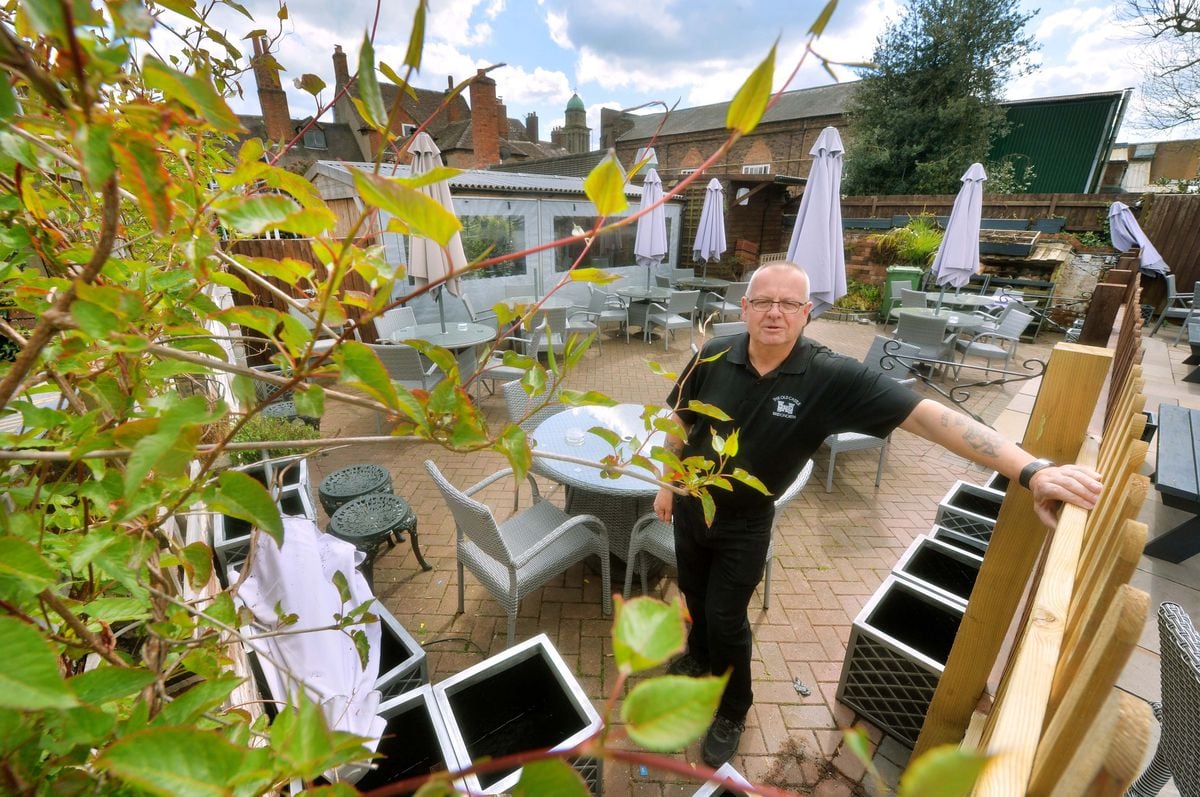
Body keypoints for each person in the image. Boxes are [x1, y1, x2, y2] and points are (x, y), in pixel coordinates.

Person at [652, 261, 1103, 767]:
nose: (773, 313)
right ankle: (699, 658)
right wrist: (668, 483)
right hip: (693, 507)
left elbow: (929, 417)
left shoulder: (828, 375)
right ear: (745, 307)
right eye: (762, 301)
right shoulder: (713, 353)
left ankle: (734, 707)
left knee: (727, 616)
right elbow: (681, 417)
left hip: (745, 523)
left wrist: (1030, 470)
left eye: (787, 304)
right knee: (693, 591)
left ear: (807, 312)